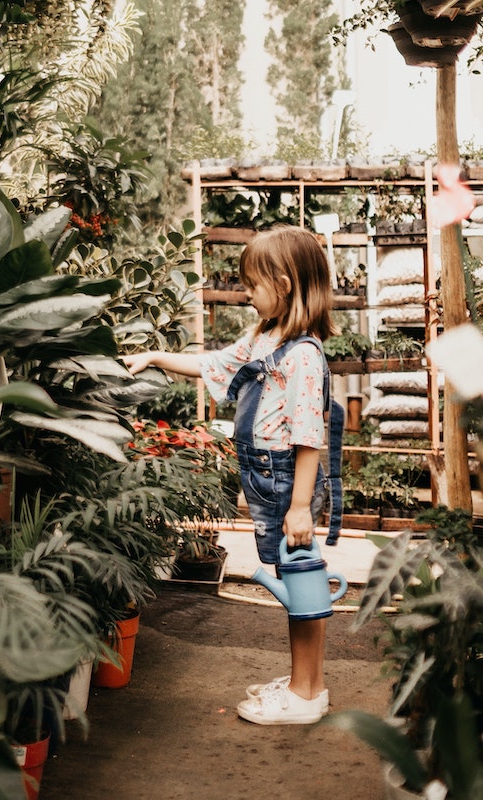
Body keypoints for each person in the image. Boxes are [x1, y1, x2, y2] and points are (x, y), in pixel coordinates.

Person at [122, 225, 341, 725]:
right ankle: (306, 685)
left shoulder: (304, 356)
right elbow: (212, 363)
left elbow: (309, 438)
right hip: (269, 479)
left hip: (286, 481)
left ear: (283, 284)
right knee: (297, 582)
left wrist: (300, 507)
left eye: (253, 285)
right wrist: (154, 356)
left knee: (302, 587)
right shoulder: (264, 338)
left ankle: (306, 695)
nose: (246, 293)